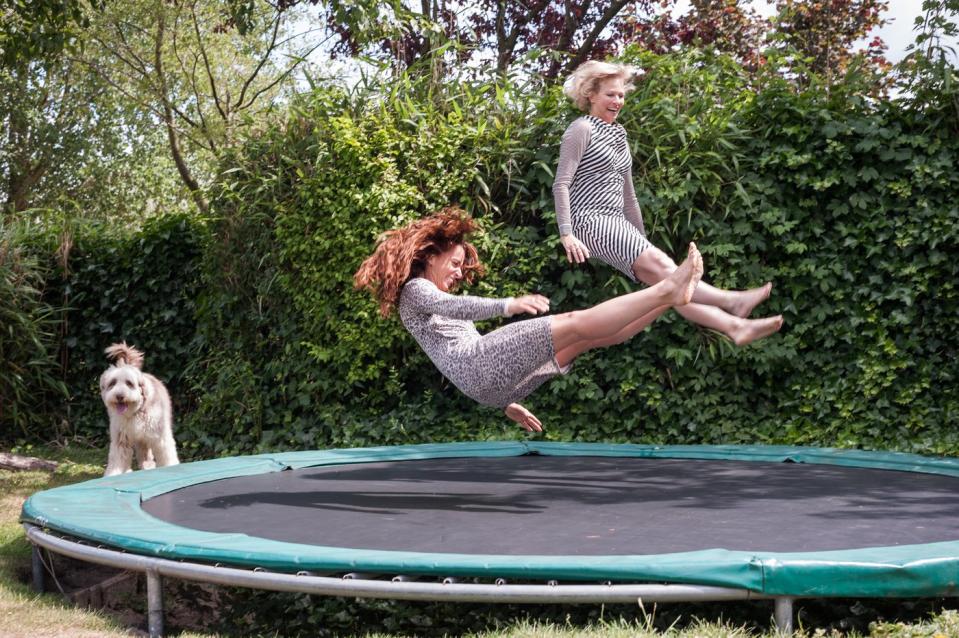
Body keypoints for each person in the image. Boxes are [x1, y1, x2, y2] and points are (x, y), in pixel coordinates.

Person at [354, 207, 703, 432]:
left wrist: (504, 402)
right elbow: (460, 309)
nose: (460, 273)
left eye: (462, 266)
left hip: (493, 389)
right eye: (456, 263)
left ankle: (668, 298)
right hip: (478, 366)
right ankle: (666, 289)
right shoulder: (415, 290)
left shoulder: (429, 298)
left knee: (587, 339)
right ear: (430, 257)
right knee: (573, 320)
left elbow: (455, 336)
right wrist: (509, 304)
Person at [554, 60, 783, 346]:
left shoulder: (620, 135)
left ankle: (735, 326)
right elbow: (561, 183)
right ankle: (732, 301)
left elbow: (629, 195)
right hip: (590, 220)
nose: (617, 101)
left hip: (616, 221)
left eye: (621, 95)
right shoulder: (581, 129)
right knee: (666, 267)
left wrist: (641, 239)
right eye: (610, 94)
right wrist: (567, 233)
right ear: (591, 94)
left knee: (669, 285)